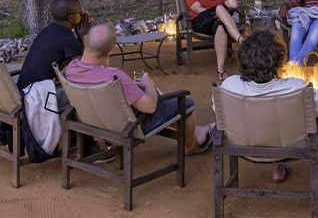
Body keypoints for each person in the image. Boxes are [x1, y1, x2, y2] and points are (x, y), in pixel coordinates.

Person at [65, 24, 214, 154]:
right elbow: (149, 107)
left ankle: (196, 131)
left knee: (159, 97)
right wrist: (149, 84)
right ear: (110, 51)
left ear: (85, 40)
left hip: (93, 120)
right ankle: (191, 146)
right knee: (186, 102)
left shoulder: (71, 68)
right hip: (127, 127)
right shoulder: (115, 77)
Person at [217, 31, 318, 183]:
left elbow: (217, 110)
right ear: (278, 61)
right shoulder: (296, 88)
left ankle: (277, 168)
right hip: (291, 148)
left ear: (243, 61)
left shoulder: (229, 86)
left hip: (242, 145)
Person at [185, 0, 244, 80]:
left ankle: (221, 70)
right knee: (219, 8)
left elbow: (233, 5)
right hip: (200, 22)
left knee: (221, 28)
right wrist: (215, 13)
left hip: (216, 23)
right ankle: (241, 40)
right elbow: (196, 8)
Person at [17, 0, 87, 91]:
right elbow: (84, 69)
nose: (83, 14)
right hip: (38, 97)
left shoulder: (47, 30)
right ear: (71, 17)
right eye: (80, 12)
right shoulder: (67, 37)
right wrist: (84, 36)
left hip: (24, 90)